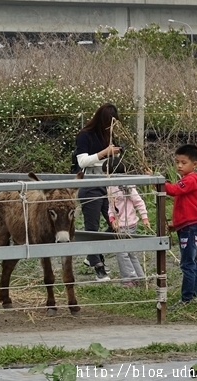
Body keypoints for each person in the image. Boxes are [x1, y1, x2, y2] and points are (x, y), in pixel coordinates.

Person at [75, 103, 122, 281]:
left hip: (108, 185)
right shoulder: (84, 135)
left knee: (118, 222)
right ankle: (98, 266)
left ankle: (93, 254)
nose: (110, 129)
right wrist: (104, 153)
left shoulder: (109, 136)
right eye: (108, 124)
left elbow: (111, 163)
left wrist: (116, 154)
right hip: (90, 185)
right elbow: (82, 162)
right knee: (92, 227)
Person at [164, 144, 197, 310]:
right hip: (189, 227)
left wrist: (158, 183)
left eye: (184, 162)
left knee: (187, 264)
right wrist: (175, 226)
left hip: (189, 229)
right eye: (177, 162)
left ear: (195, 164)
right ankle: (195, 296)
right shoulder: (190, 180)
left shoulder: (190, 180)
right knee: (192, 262)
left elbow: (174, 190)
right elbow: (187, 211)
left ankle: (187, 299)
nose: (179, 166)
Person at [105, 159, 151, 287]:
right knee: (130, 253)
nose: (105, 177)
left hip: (129, 224)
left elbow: (139, 202)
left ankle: (129, 279)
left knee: (121, 252)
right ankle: (140, 277)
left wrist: (145, 218)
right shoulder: (109, 187)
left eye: (107, 173)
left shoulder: (126, 186)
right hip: (119, 225)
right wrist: (112, 219)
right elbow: (110, 206)